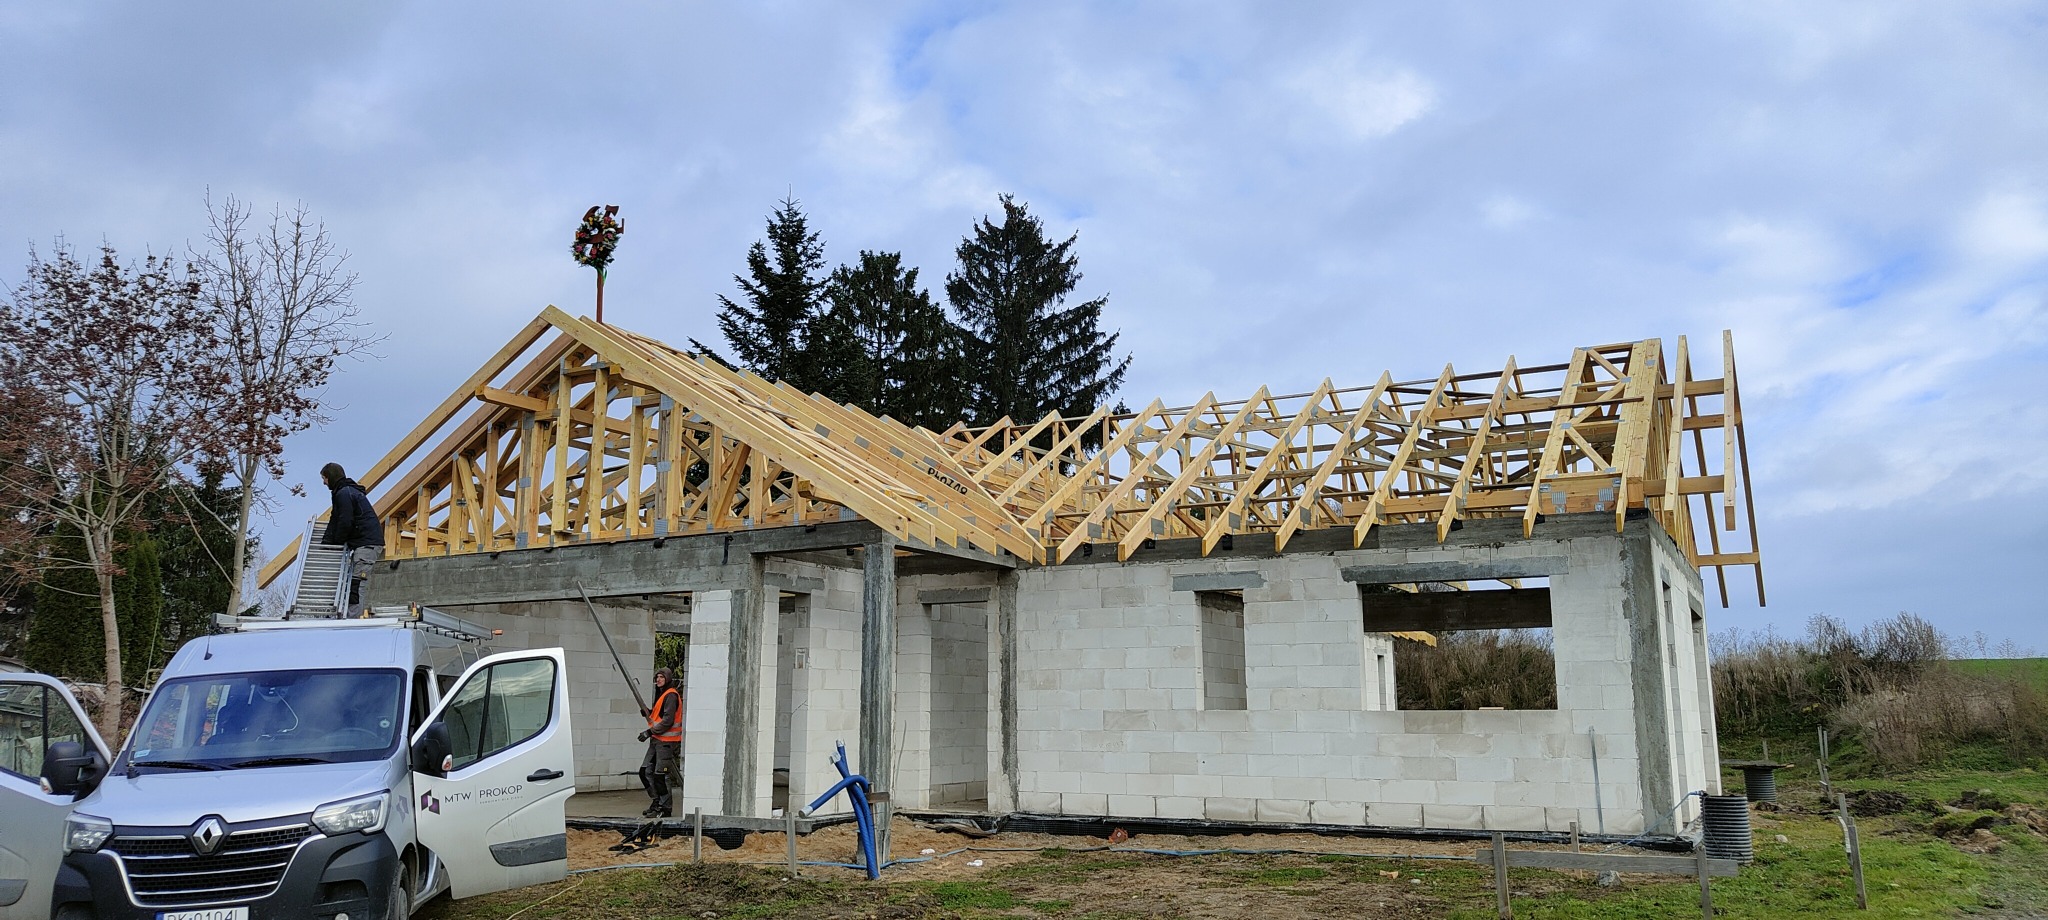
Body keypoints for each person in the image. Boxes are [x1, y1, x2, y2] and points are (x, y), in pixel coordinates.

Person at [320, 462, 385, 617]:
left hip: (367, 545)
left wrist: (336, 542)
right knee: (351, 584)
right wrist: (326, 543)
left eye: (325, 478)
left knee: (356, 585)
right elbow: (335, 519)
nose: (324, 482)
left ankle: (353, 621)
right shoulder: (343, 492)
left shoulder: (344, 494)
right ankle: (349, 617)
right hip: (363, 543)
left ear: (331, 477)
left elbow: (344, 521)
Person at [636, 667, 683, 818]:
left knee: (661, 776)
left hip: (666, 742)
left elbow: (668, 721)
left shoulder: (670, 696)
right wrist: (649, 712)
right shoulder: (663, 695)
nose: (658, 680)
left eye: (661, 677)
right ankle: (657, 802)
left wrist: (649, 732)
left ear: (668, 679)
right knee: (645, 772)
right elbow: (659, 716)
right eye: (657, 677)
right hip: (657, 741)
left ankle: (665, 808)